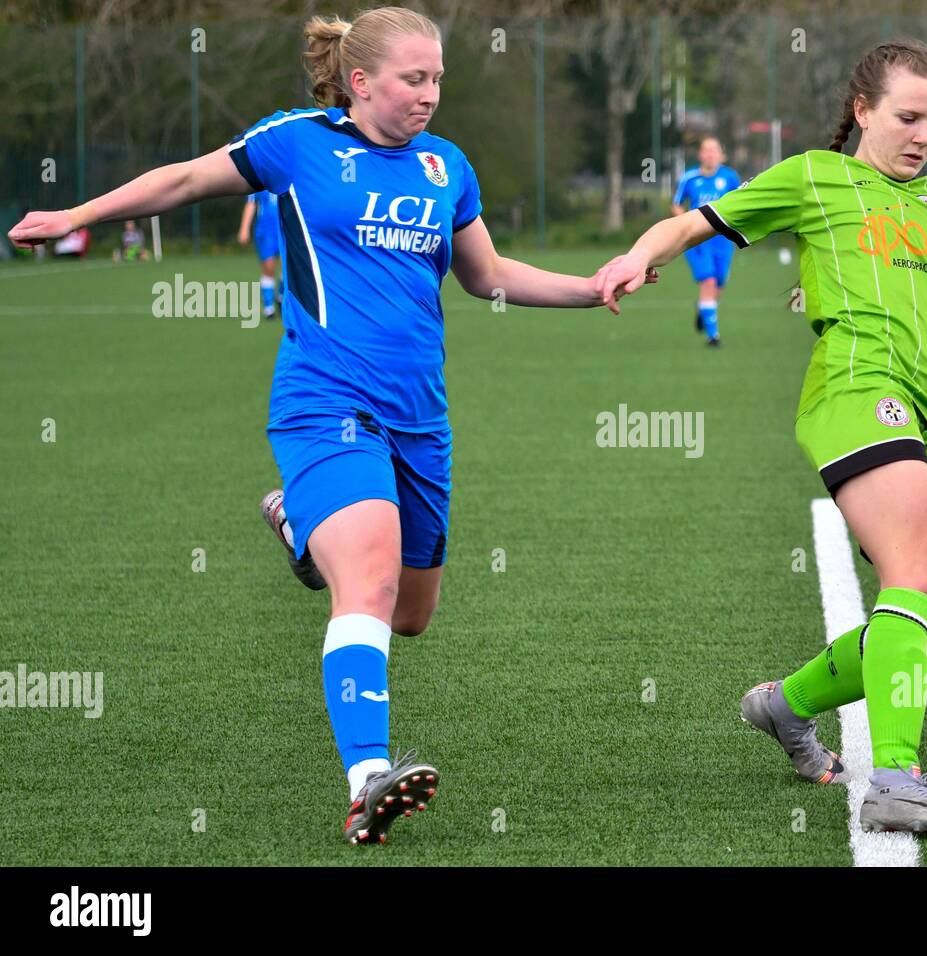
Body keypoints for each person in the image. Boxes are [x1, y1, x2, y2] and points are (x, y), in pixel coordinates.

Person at [8, 5, 652, 847]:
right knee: (372, 579)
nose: (429, 94)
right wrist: (76, 218)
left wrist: (588, 286)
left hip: (421, 420)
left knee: (409, 614)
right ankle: (366, 778)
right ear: (360, 81)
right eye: (413, 79)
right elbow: (182, 181)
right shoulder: (299, 142)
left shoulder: (444, 166)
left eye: (437, 79)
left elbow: (486, 274)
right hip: (324, 402)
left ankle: (298, 527)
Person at [594, 39, 927, 838]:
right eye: (908, 117)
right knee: (912, 569)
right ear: (862, 112)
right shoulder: (817, 178)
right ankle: (895, 779)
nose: (924, 135)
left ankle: (785, 706)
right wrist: (637, 256)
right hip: (855, 394)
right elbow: (692, 225)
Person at [671, 137, 740, 346]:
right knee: (708, 281)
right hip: (698, 241)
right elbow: (676, 205)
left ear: (721, 155)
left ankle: (704, 308)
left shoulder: (730, 177)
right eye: (706, 150)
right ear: (700, 154)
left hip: (723, 240)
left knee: (718, 283)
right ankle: (713, 336)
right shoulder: (689, 178)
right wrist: (684, 226)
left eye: (714, 150)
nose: (710, 154)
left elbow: (741, 202)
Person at [237, 191, 283, 317]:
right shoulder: (261, 177)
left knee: (288, 267)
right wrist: (244, 228)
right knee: (269, 267)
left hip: (286, 228)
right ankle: (269, 308)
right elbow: (251, 203)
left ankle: (281, 295)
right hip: (266, 231)